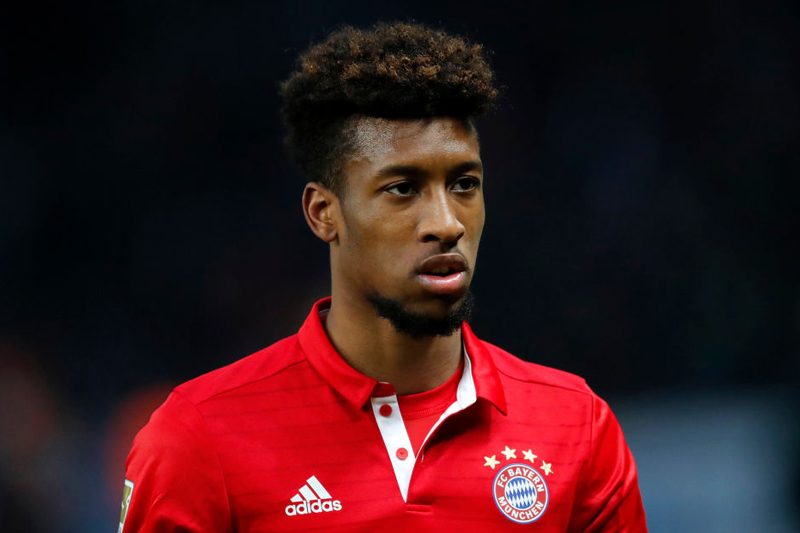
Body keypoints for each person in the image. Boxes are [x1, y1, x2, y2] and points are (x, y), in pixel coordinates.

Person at [119, 22, 647, 532]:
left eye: (464, 184)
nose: (446, 223)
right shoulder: (200, 437)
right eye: (402, 189)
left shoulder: (576, 427)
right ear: (324, 213)